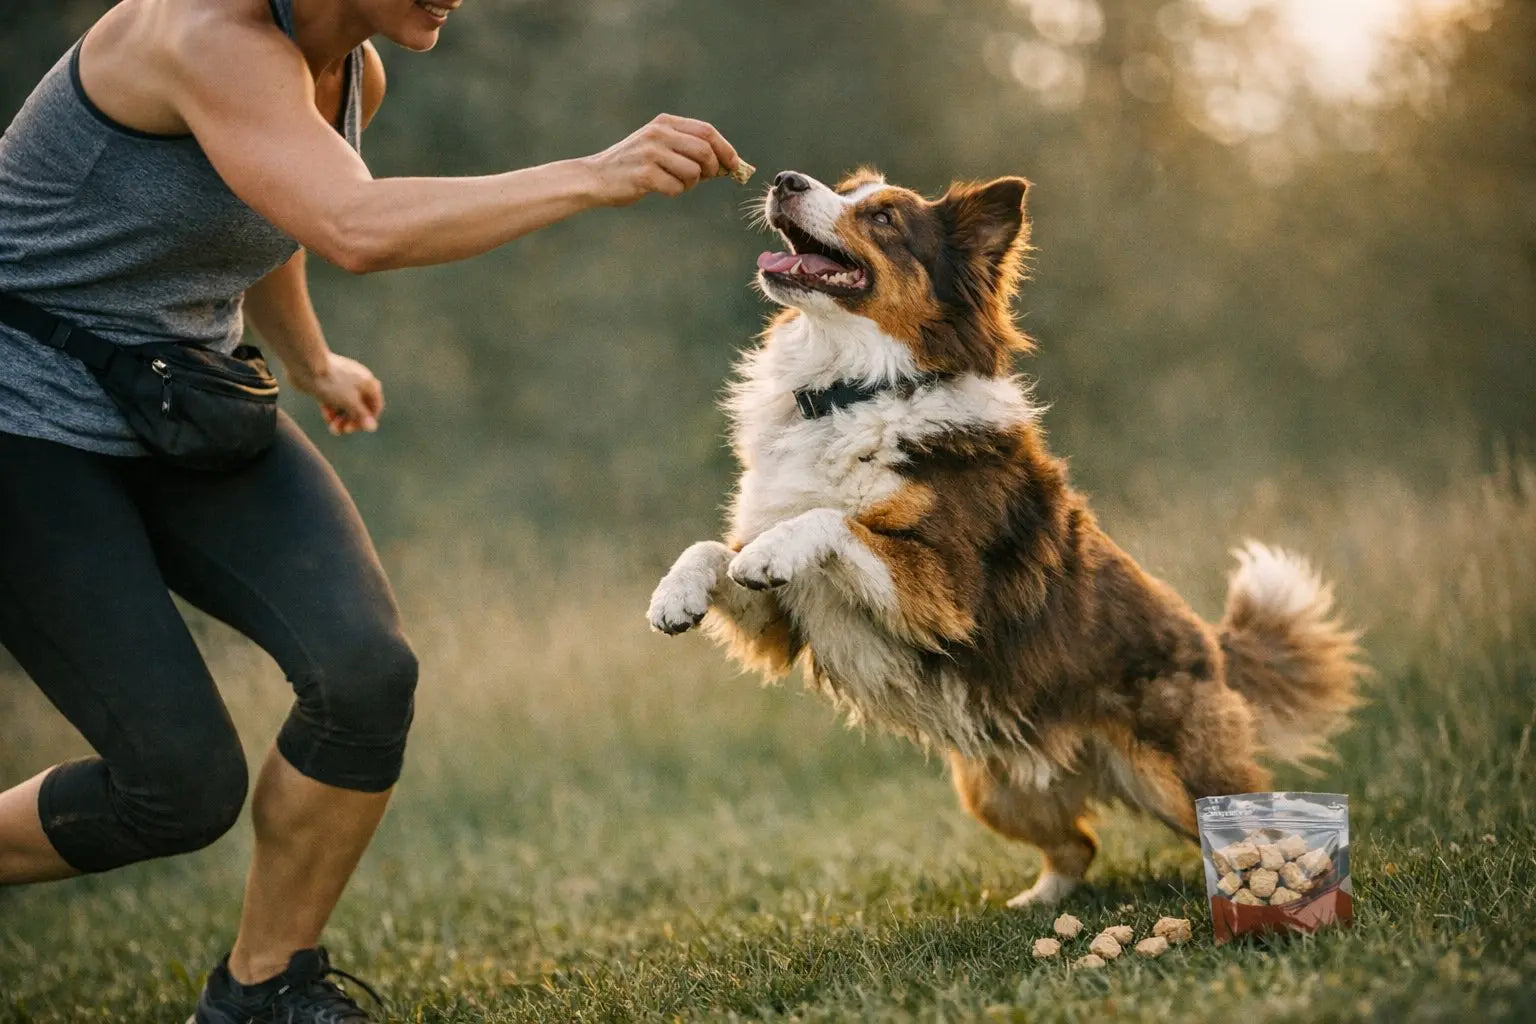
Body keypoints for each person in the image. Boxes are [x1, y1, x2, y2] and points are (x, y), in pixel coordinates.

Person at [0, 1, 742, 1020]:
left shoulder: (354, 69)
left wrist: (309, 362)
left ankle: (262, 992)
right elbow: (355, 225)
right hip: (23, 421)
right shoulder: (204, 36)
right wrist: (596, 172)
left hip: (179, 395)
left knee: (363, 672)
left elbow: (283, 212)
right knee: (176, 787)